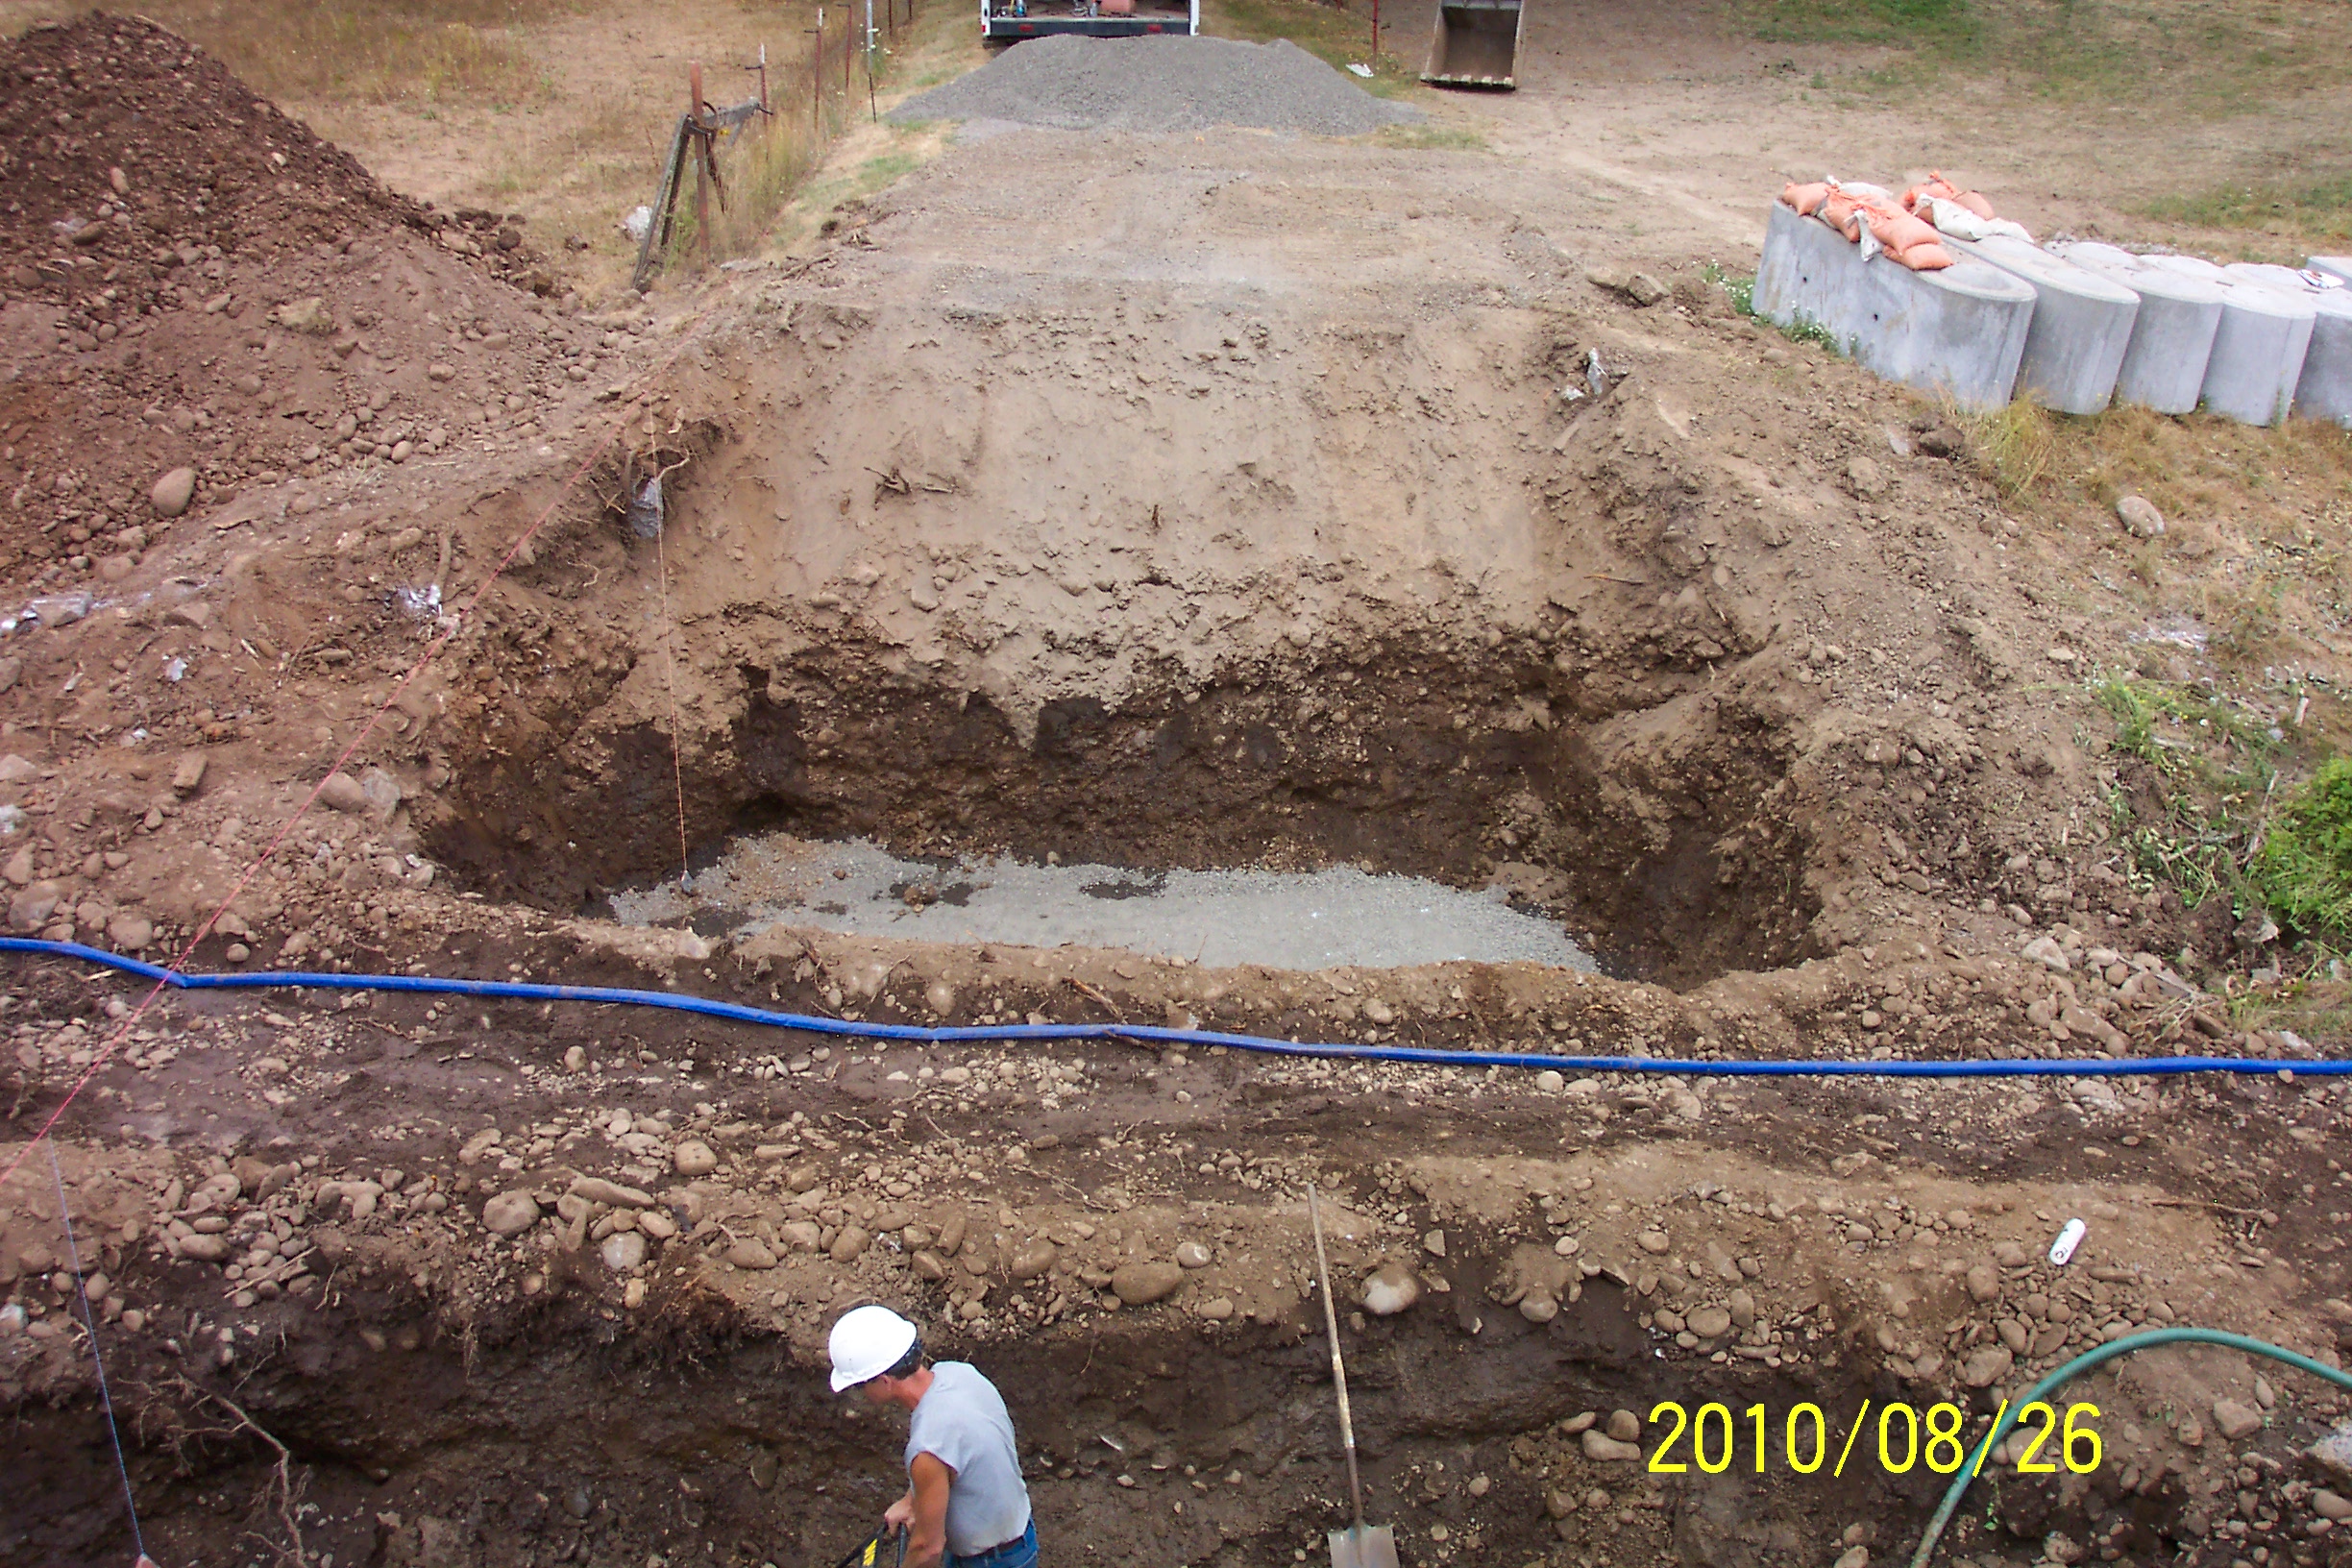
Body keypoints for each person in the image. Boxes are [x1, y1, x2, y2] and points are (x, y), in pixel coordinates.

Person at [829, 1306, 1038, 1568]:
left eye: (860, 1385)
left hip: (989, 1562)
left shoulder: (928, 1447)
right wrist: (910, 1501)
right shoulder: (960, 1374)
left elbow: (928, 1548)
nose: (861, 1394)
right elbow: (957, 1458)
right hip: (1018, 1539)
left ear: (884, 1381)